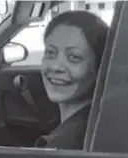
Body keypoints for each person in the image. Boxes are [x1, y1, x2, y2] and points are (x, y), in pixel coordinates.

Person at [35, 11, 109, 149]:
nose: (56, 67)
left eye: (74, 57)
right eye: (50, 53)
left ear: (99, 67)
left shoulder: (66, 144)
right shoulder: (95, 120)